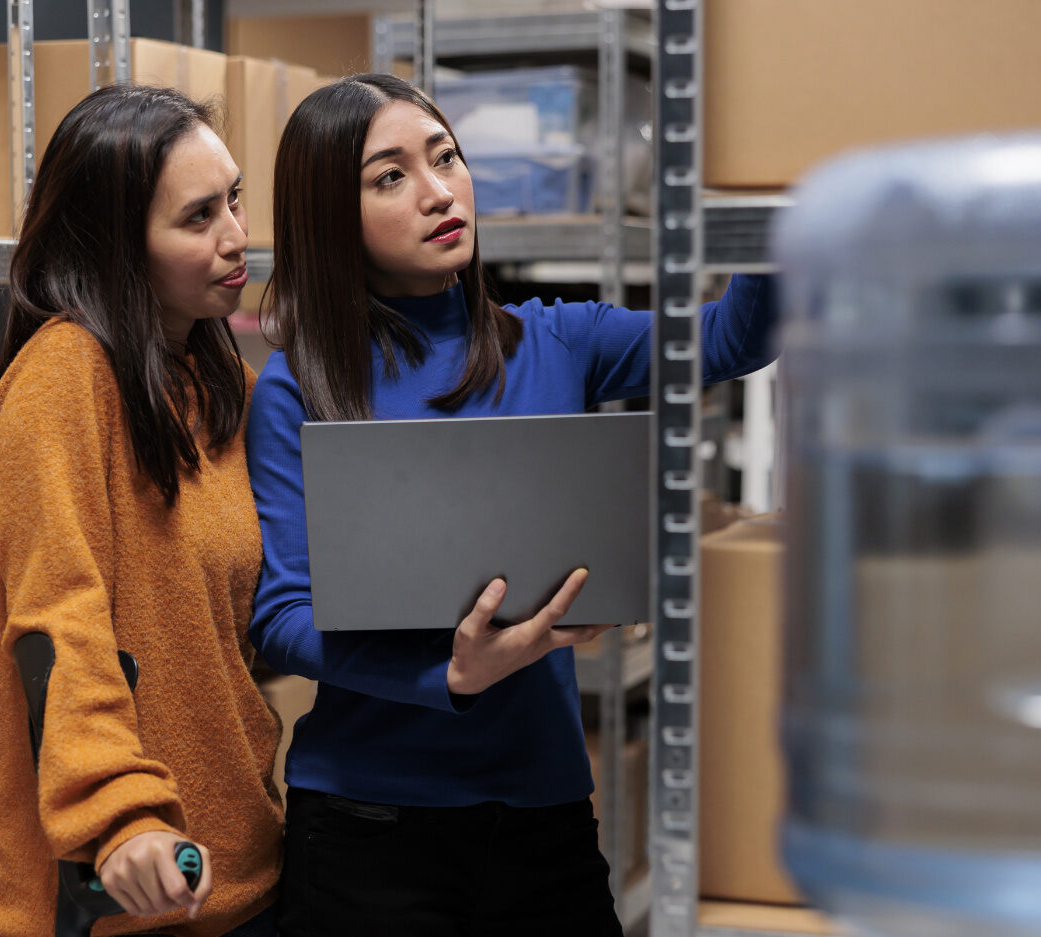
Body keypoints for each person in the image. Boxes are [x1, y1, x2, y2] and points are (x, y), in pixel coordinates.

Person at [246, 73, 778, 937]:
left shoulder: (556, 340)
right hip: (365, 829)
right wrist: (448, 676)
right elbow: (280, 616)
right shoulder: (297, 385)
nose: (438, 190)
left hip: (545, 816)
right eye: (390, 176)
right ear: (329, 217)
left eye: (445, 157)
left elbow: (732, 337)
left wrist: (765, 193)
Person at [0, 85, 282, 937]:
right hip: (121, 893)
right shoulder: (63, 379)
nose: (237, 237)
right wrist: (119, 815)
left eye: (234, 200)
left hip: (243, 875)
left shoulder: (215, 385)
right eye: (198, 217)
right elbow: (60, 626)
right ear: (117, 246)